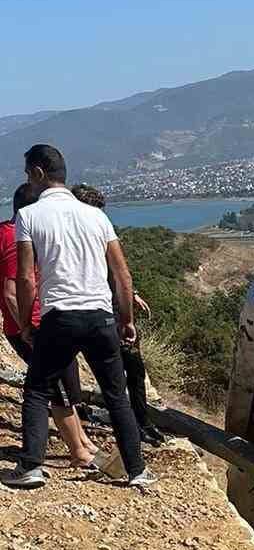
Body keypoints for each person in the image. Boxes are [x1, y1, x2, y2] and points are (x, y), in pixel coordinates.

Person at [1, 144, 149, 490]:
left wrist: (25, 323)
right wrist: (126, 321)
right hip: (101, 318)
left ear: (38, 173)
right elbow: (123, 277)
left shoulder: (30, 215)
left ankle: (32, 467)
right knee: (116, 395)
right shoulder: (96, 216)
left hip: (60, 317)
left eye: (28, 174)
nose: (28, 181)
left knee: (38, 390)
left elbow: (25, 277)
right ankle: (137, 470)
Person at [1, 183, 97, 466]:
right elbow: (10, 290)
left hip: (43, 322)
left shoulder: (13, 232)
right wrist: (27, 329)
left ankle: (83, 441)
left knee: (65, 382)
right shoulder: (12, 238)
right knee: (56, 387)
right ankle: (77, 452)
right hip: (30, 326)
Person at [71, 184, 165, 446]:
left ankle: (143, 422)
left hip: (114, 310)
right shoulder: (74, 238)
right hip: (97, 314)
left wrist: (130, 295)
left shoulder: (98, 230)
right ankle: (130, 428)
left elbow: (118, 271)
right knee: (115, 376)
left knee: (135, 370)